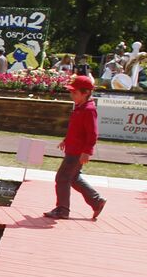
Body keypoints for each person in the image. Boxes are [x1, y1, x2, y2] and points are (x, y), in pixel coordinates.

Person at [45, 73, 106, 220]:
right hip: (73, 149)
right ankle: (96, 201)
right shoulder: (80, 107)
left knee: (62, 178)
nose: (71, 94)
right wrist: (66, 140)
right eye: (71, 91)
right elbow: (75, 129)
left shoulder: (89, 110)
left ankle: (62, 210)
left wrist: (87, 152)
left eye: (75, 92)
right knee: (73, 178)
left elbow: (92, 134)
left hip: (77, 152)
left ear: (86, 93)